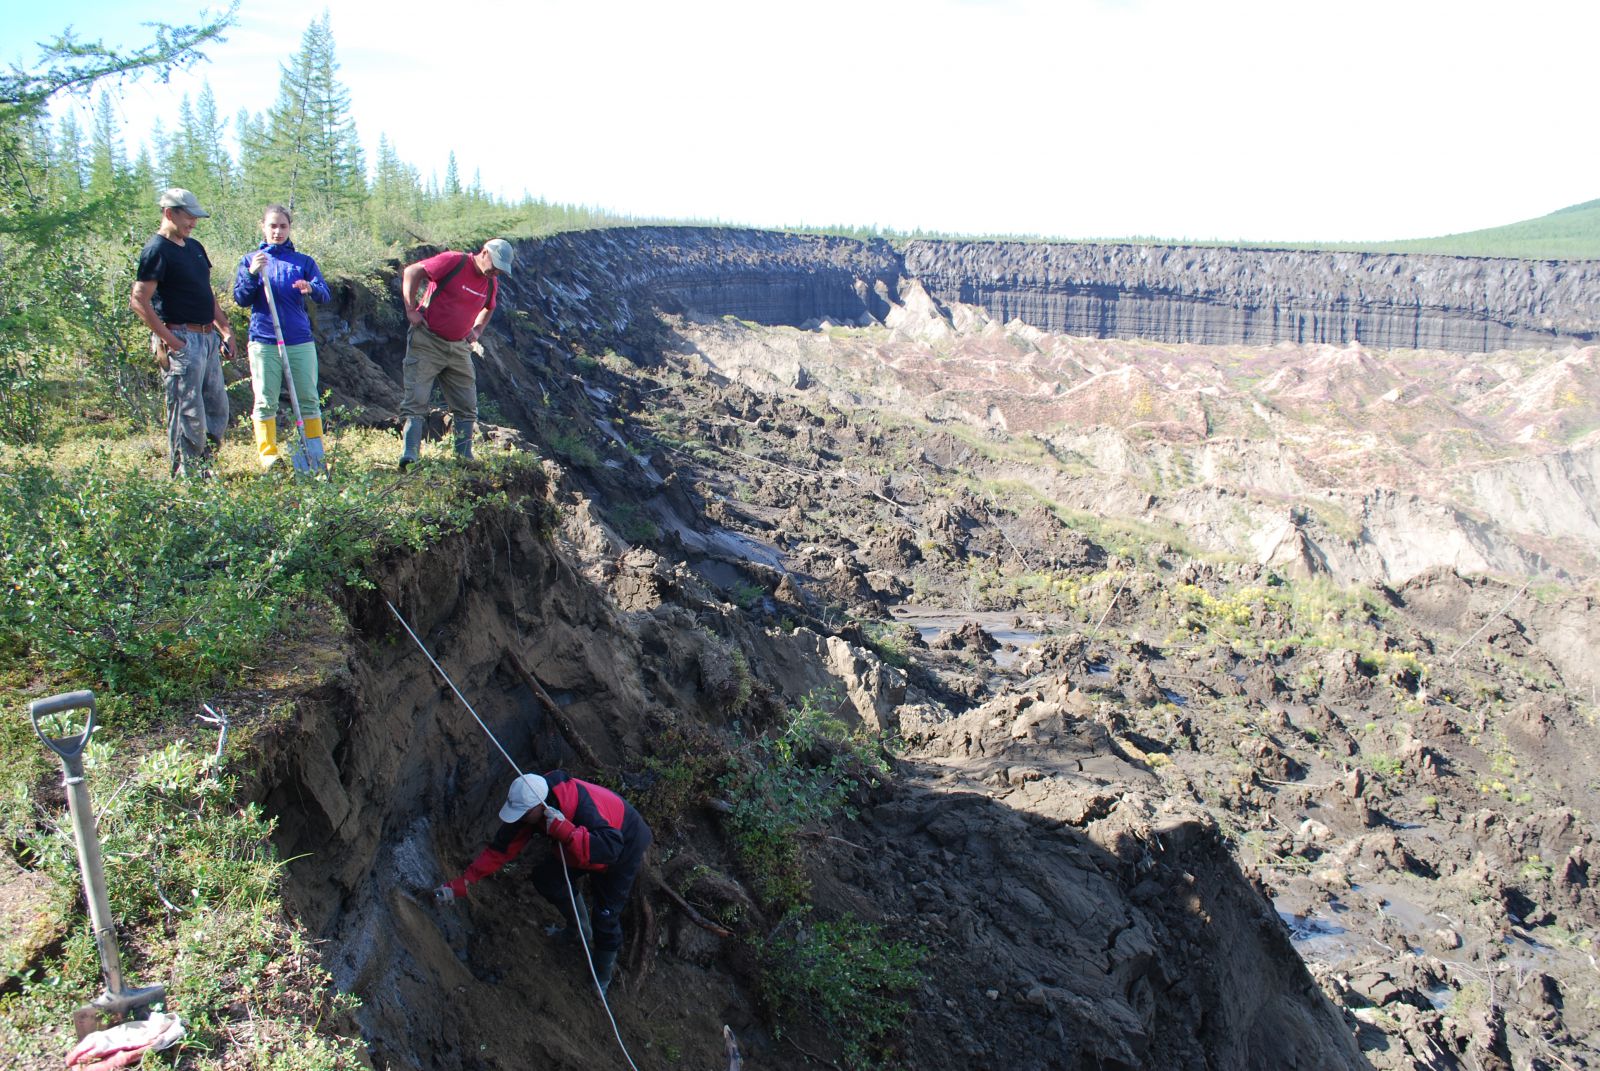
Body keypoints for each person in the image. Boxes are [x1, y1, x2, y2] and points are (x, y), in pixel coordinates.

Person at [435, 770, 653, 994]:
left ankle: (602, 978)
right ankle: (579, 931)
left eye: (522, 814)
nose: (519, 818)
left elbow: (610, 848)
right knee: (547, 879)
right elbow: (501, 850)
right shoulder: (530, 804)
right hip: (578, 844)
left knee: (605, 917)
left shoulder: (580, 807)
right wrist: (466, 880)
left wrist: (567, 833)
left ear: (539, 807)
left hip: (622, 847)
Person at [129, 188, 237, 477]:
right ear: (169, 213)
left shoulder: (195, 247)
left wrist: (224, 330)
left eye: (195, 217)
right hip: (181, 339)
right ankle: (186, 478)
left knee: (217, 409)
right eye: (188, 217)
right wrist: (172, 341)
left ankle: (206, 470)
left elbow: (206, 293)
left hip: (207, 339)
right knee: (188, 413)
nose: (193, 223)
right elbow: (139, 300)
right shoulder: (156, 250)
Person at [396, 238, 515, 469]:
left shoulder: (491, 282)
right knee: (416, 400)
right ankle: (410, 456)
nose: (496, 272)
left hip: (459, 347)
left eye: (501, 270)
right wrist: (410, 309)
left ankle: (463, 458)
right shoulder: (454, 261)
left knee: (467, 405)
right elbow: (412, 271)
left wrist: (478, 330)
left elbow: (489, 307)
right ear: (484, 253)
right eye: (495, 266)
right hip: (427, 341)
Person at [232, 204, 332, 471]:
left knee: (308, 398)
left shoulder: (303, 262)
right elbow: (241, 298)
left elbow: (325, 293)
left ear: (290, 228)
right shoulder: (250, 260)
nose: (277, 231)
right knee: (266, 399)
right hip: (264, 339)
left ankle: (313, 451)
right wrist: (253, 274)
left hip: (299, 339)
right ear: (263, 227)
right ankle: (268, 455)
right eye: (272, 226)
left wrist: (310, 287)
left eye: (283, 226)